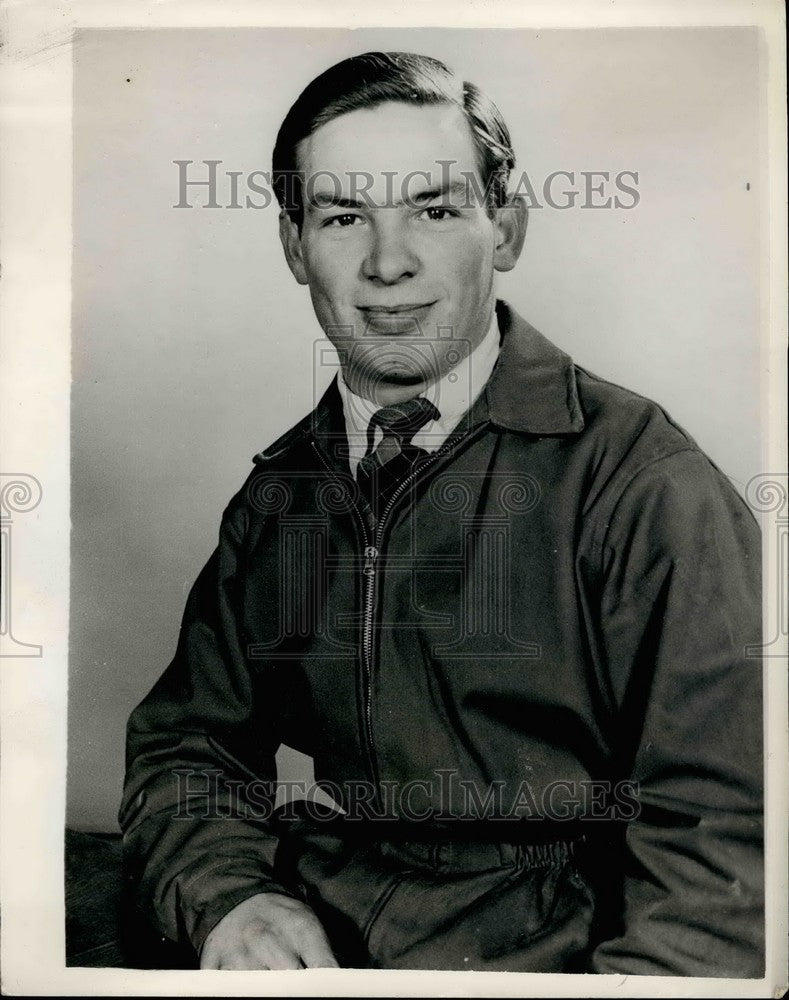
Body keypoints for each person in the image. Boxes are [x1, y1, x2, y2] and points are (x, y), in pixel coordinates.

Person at [119, 51, 764, 975]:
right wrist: (232, 899)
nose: (388, 264)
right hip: (331, 936)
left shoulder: (643, 482)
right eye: (344, 217)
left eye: (434, 208)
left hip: (566, 958)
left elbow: (726, 835)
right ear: (294, 245)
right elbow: (188, 746)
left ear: (504, 226)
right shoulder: (285, 494)